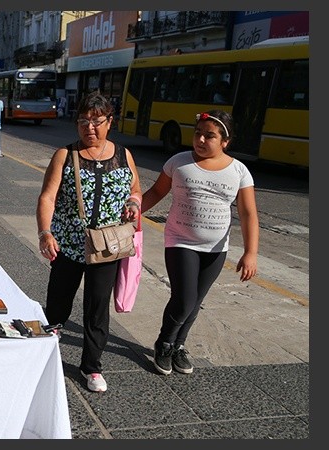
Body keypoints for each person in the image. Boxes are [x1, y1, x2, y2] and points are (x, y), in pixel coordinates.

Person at [35, 91, 142, 393]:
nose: (89, 128)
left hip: (107, 247)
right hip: (68, 243)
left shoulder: (123, 154)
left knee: (97, 307)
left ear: (110, 122)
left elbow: (135, 187)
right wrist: (45, 232)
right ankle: (48, 342)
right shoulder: (65, 155)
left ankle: (91, 367)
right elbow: (47, 196)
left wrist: (134, 202)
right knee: (58, 299)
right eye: (83, 121)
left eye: (96, 122)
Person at [141, 110, 258, 376]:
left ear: (225, 141)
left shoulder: (239, 170)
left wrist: (251, 252)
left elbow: (248, 212)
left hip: (216, 248)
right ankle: (165, 342)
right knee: (184, 299)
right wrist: (132, 213)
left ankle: (179, 345)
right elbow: (158, 191)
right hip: (180, 241)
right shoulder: (179, 162)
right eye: (198, 133)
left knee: (195, 302)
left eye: (210, 136)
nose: (201, 140)